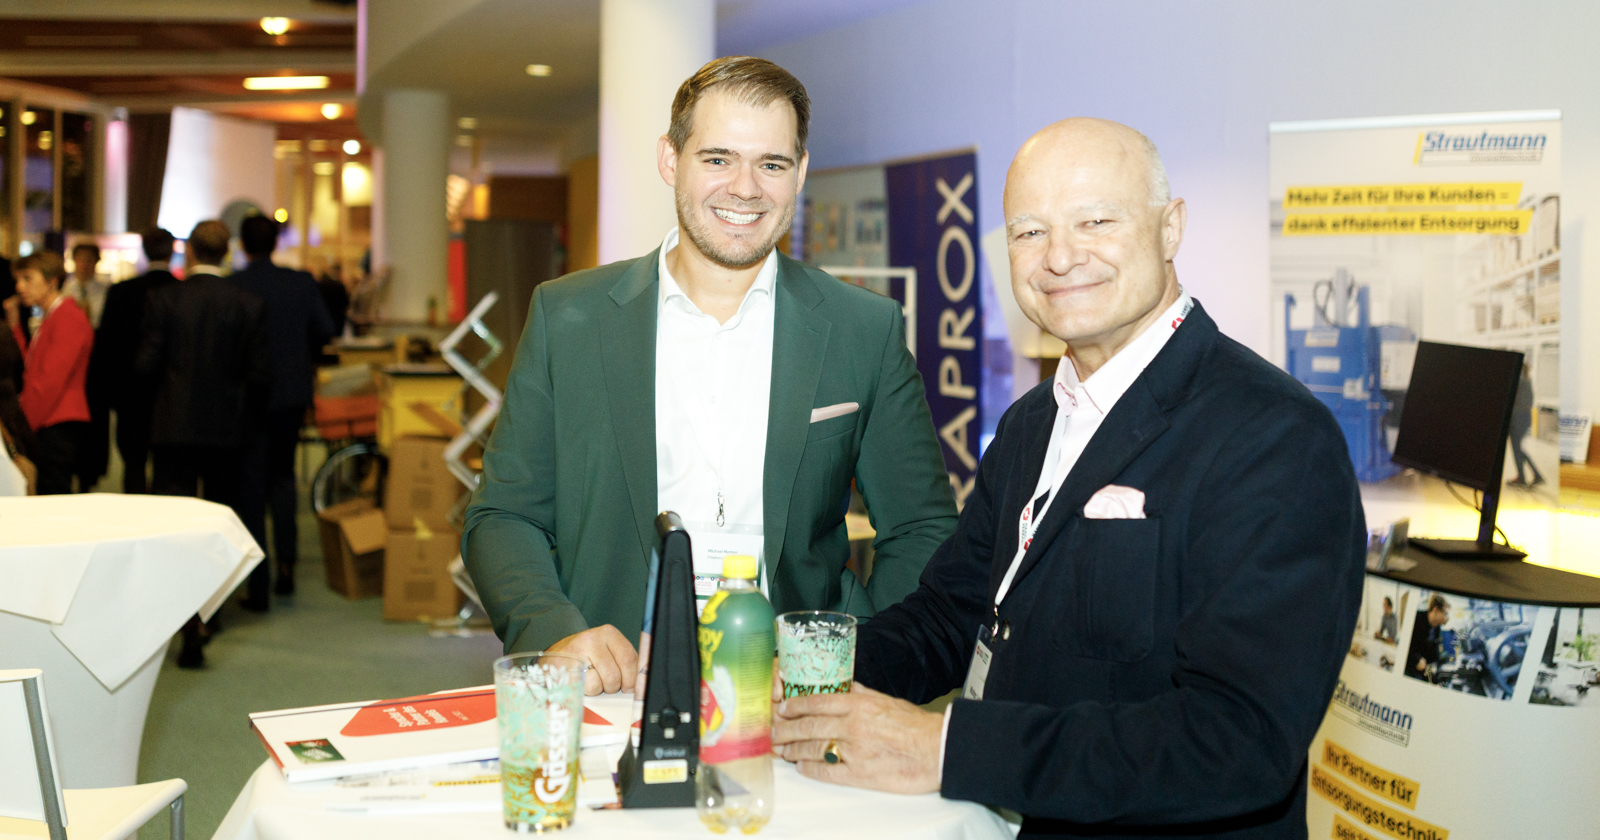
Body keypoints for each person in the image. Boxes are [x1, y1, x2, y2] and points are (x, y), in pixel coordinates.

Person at [771, 118, 1366, 839]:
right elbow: (955, 614)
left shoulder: (1276, 437)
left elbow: (1237, 740)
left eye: (1095, 221)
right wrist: (805, 672)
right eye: (1029, 232)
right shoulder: (1031, 423)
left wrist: (948, 748)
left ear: (1171, 229)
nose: (1059, 257)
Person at [463, 56, 955, 694]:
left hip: (797, 694)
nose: (745, 188)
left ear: (800, 172)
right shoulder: (569, 319)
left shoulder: (863, 328)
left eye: (771, 164)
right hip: (617, 682)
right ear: (670, 159)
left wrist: (861, 661)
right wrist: (554, 630)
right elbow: (505, 516)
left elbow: (921, 527)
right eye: (718, 158)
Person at [137, 219, 269, 667]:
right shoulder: (246, 303)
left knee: (173, 524)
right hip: (225, 431)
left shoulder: (164, 299)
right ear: (226, 252)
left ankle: (180, 615)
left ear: (190, 251)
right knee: (216, 522)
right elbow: (259, 374)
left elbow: (147, 364)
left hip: (172, 427)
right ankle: (209, 612)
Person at [231, 214, 336, 608]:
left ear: (243, 245)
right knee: (282, 477)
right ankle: (287, 566)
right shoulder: (300, 283)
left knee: (251, 485)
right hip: (290, 394)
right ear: (275, 243)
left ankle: (257, 583)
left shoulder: (234, 285)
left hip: (247, 397)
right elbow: (325, 329)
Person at [88, 229, 179, 494]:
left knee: (133, 468)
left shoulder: (122, 291)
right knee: (169, 472)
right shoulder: (181, 292)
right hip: (171, 396)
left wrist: (105, 395)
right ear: (171, 251)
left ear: (144, 251)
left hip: (130, 396)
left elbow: (106, 347)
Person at [5, 252, 95, 495]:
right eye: (18, 279)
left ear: (52, 281)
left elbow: (48, 382)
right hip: (50, 420)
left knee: (51, 497)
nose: (19, 286)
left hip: (56, 422)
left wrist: (22, 429)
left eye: (27, 278)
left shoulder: (67, 316)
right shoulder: (55, 315)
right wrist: (15, 326)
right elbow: (32, 368)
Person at [1508, 363, 1542, 487]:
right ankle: (1526, 476)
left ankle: (1529, 477)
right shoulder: (1527, 379)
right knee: (1518, 449)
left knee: (1517, 449)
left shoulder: (1519, 380)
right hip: (1525, 418)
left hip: (1518, 418)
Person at [1407, 593, 1451, 681]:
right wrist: (1417, 659)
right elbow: (1406, 646)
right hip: (1410, 669)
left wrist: (1436, 664)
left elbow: (1435, 653)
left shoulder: (1437, 628)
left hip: (1423, 671)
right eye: (1445, 613)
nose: (1446, 618)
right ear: (1435, 610)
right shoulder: (1416, 619)